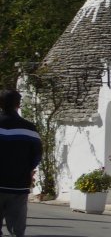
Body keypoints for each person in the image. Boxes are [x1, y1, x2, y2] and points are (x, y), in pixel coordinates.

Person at [0, 90, 40, 237]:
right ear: (18, 104)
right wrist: (27, 169)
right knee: (18, 230)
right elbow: (37, 155)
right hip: (19, 185)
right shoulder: (29, 128)